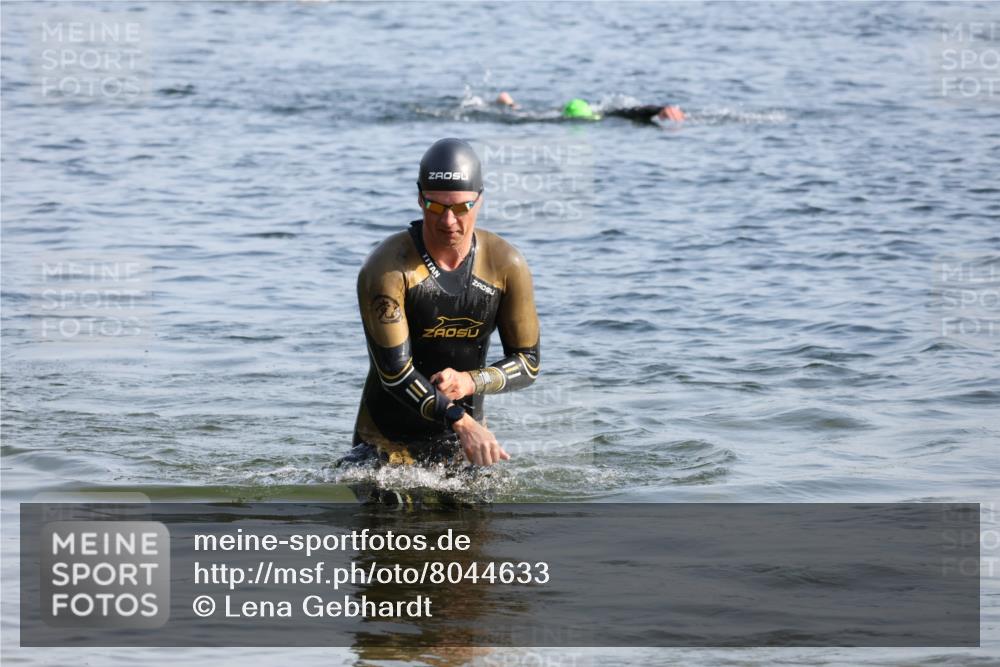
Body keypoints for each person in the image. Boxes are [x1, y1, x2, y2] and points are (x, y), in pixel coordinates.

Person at [339, 138, 540, 470]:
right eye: (436, 206)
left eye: (461, 207)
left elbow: (528, 363)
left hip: (463, 445)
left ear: (480, 201)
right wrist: (460, 418)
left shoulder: (506, 265)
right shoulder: (387, 268)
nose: (448, 221)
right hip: (385, 446)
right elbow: (395, 374)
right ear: (419, 198)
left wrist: (470, 381)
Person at [496, 92, 685, 123]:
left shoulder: (603, 112)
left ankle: (511, 102)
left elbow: (633, 111)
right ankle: (510, 103)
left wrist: (659, 109)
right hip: (558, 113)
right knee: (523, 113)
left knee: (521, 111)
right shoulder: (551, 117)